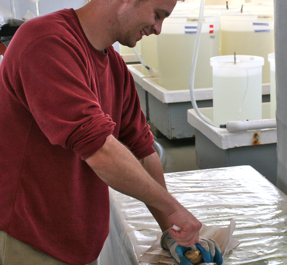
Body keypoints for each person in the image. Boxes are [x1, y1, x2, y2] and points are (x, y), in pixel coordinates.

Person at [0, 0, 222, 264]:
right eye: (157, 14)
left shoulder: (114, 66)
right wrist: (173, 208)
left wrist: (173, 230)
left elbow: (143, 149)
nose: (158, 29)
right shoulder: (45, 43)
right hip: (30, 239)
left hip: (77, 240)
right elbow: (99, 149)